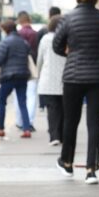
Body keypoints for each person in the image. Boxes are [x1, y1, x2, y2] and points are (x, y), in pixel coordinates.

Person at [53, 0, 99, 185]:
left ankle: (67, 163)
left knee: (71, 120)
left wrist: (70, 53)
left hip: (74, 75)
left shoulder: (68, 18)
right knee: (94, 123)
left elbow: (56, 45)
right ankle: (91, 170)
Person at [0, 20, 33, 139]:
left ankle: (1, 128)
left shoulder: (6, 42)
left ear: (6, 30)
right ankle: (26, 129)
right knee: (22, 102)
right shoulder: (23, 42)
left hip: (9, 76)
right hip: (23, 75)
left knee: (1, 101)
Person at [37, 16, 65, 145]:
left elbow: (40, 60)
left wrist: (38, 75)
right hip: (65, 78)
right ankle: (63, 135)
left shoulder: (45, 39)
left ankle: (54, 136)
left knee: (52, 109)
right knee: (65, 108)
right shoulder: (68, 38)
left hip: (48, 78)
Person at [16, 11, 39, 132]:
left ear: (20, 20)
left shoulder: (18, 34)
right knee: (31, 95)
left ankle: (19, 121)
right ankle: (29, 121)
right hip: (32, 67)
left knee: (18, 96)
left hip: (18, 68)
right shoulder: (35, 34)